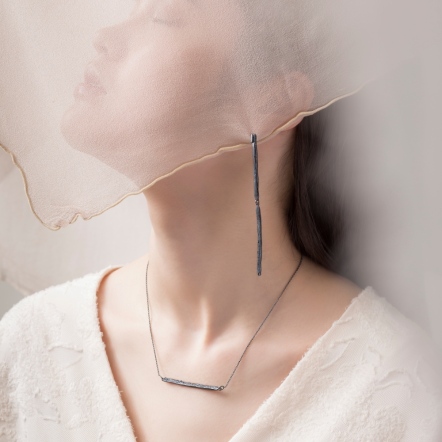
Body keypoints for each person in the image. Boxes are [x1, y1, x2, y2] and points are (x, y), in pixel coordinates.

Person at [1, 0, 441, 440]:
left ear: (275, 101)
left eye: (163, 17)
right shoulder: (31, 349)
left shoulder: (399, 393)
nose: (104, 38)